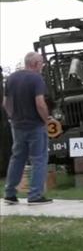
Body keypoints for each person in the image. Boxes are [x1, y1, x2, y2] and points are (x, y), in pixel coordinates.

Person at [3, 52, 53, 205]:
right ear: (35, 64)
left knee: (17, 158)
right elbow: (40, 103)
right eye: (42, 63)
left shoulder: (11, 78)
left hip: (17, 125)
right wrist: (46, 120)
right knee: (39, 159)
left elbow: (6, 103)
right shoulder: (37, 79)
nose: (43, 66)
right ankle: (35, 195)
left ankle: (10, 193)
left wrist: (13, 118)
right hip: (35, 125)